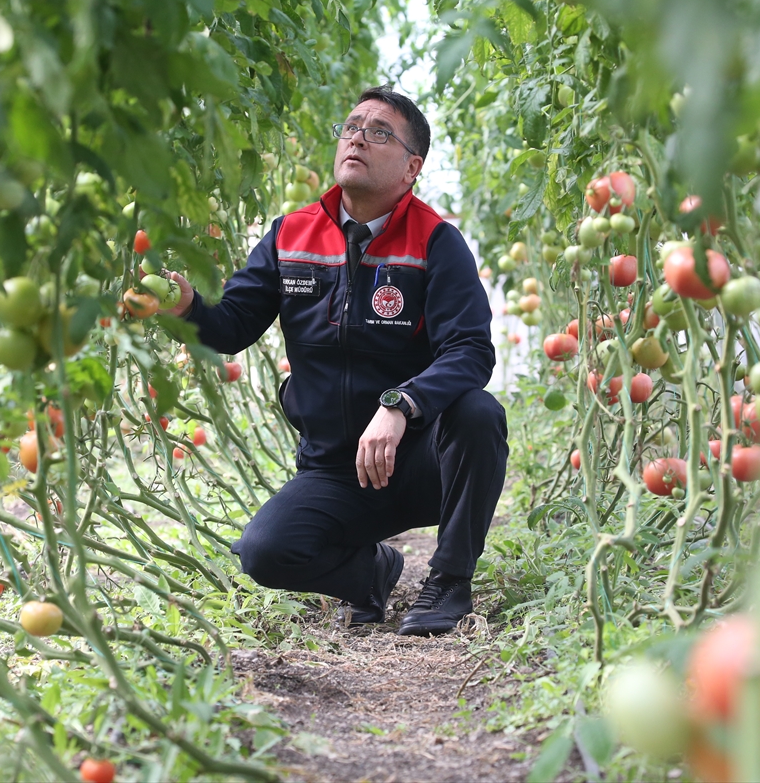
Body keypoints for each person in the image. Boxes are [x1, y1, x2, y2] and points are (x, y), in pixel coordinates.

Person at [163, 86, 508, 636]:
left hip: (421, 462)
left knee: (477, 414)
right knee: (264, 553)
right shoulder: (290, 235)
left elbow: (470, 350)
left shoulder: (436, 242)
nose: (357, 138)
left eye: (378, 132)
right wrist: (186, 309)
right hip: (335, 471)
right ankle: (373, 573)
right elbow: (230, 329)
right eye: (352, 127)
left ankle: (448, 582)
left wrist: (401, 405)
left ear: (411, 166)